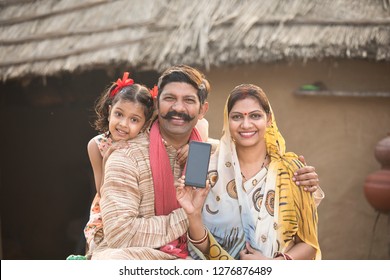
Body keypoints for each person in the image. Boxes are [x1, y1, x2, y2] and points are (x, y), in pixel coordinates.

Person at [90, 65, 321, 260]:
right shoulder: (127, 156)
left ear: (203, 110)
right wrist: (188, 215)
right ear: (157, 103)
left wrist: (303, 180)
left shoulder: (209, 155)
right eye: (170, 98)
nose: (178, 108)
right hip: (145, 258)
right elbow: (120, 234)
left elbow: (263, 208)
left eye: (189, 100)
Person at [176, 84, 321, 260]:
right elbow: (199, 245)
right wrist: (193, 215)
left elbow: (309, 244)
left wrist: (271, 265)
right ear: (227, 121)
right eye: (237, 117)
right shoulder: (207, 169)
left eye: (255, 116)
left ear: (268, 120)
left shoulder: (291, 171)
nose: (246, 124)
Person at [83, 72, 156, 255]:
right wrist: (111, 158)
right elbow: (101, 191)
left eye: (134, 119)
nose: (123, 124)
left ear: (144, 124)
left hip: (141, 209)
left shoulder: (146, 146)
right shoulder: (97, 145)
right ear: (109, 111)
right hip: (109, 210)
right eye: (119, 114)